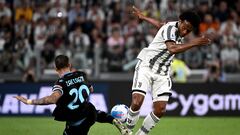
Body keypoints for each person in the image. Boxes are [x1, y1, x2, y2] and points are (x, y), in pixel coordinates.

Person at [126, 6, 211, 135]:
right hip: (146, 66)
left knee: (160, 109)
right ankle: (127, 131)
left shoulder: (172, 26)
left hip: (163, 72)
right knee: (137, 102)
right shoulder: (170, 28)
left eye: (189, 31)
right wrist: (194, 42)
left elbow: (159, 24)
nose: (184, 33)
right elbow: (172, 49)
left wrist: (144, 17)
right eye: (184, 28)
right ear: (180, 21)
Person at [14, 55, 130, 135]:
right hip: (90, 113)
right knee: (93, 111)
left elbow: (52, 99)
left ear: (55, 69)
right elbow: (91, 89)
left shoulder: (60, 83)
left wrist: (29, 101)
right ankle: (113, 120)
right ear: (69, 64)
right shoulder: (81, 74)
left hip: (76, 123)